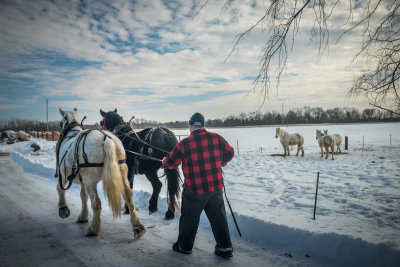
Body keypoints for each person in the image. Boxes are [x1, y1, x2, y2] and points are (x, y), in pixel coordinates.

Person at [161, 112, 235, 259]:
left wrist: (163, 162)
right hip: (216, 187)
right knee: (218, 217)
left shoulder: (185, 143)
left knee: (189, 218)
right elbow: (230, 153)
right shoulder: (217, 138)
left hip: (195, 190)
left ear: (191, 126)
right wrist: (222, 162)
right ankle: (225, 247)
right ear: (203, 125)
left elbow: (169, 163)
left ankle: (184, 246)